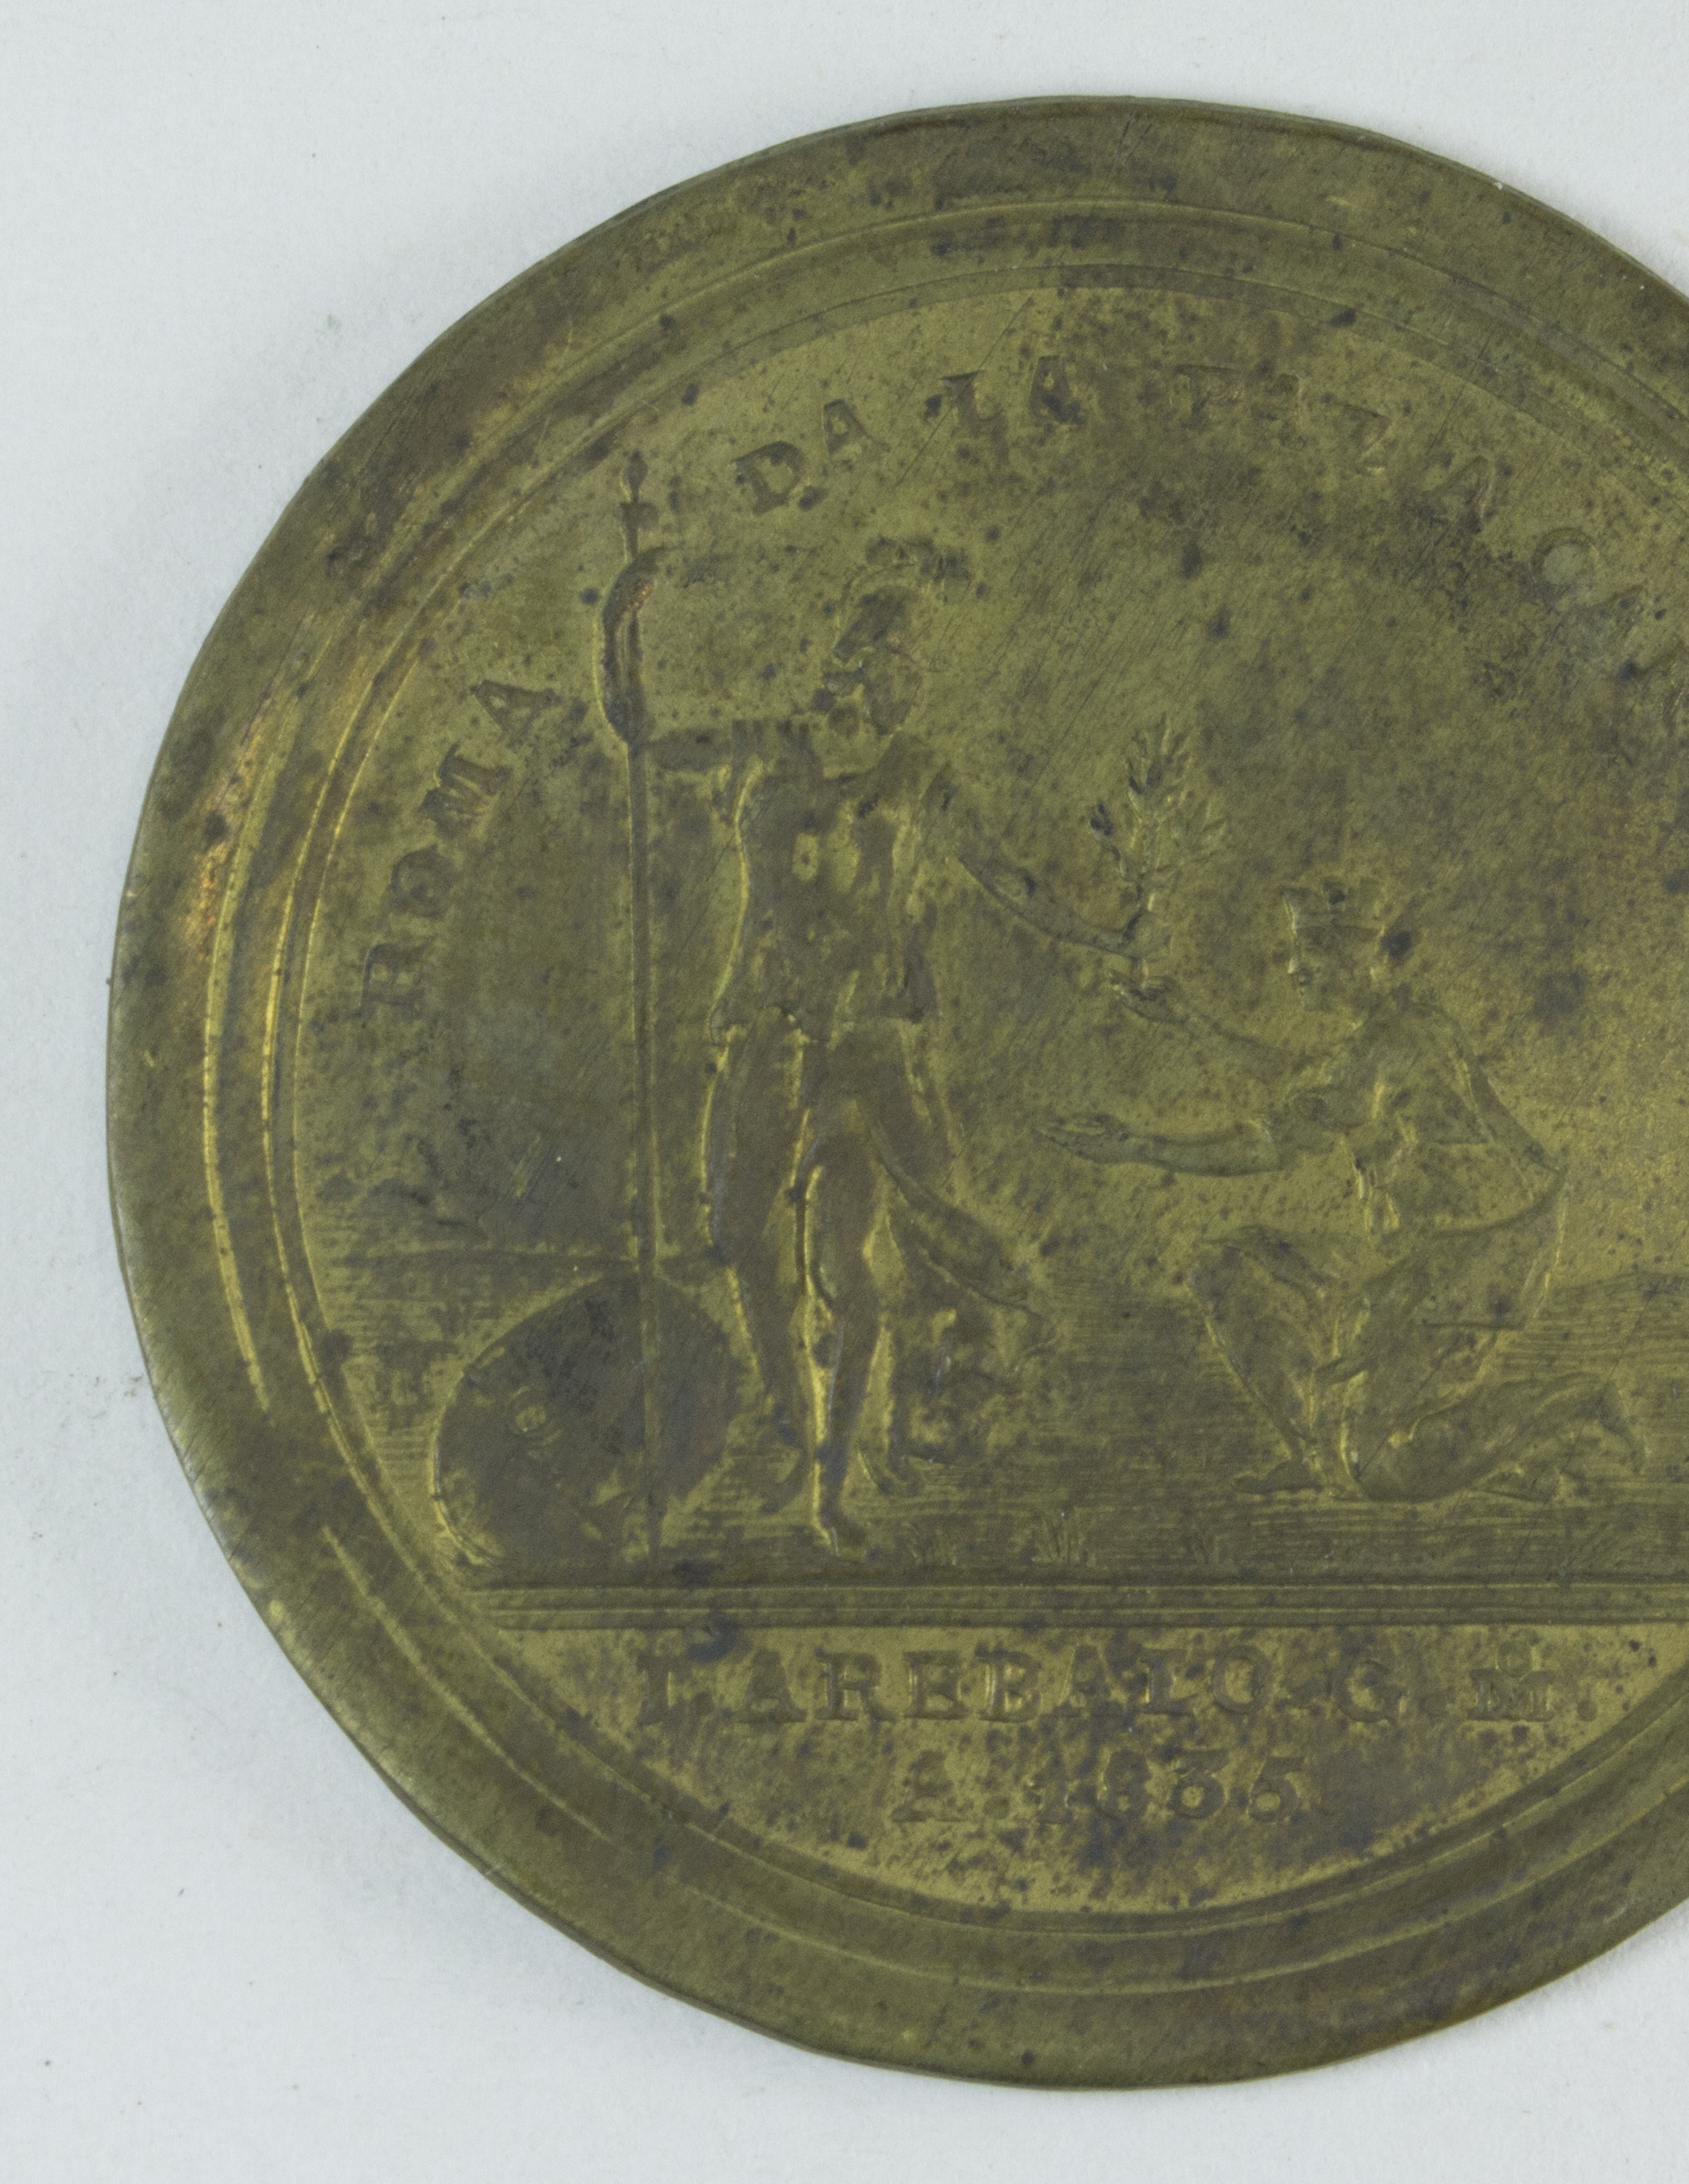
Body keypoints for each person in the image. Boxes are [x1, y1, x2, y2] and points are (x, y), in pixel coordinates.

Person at [630, 538, 1029, 1546]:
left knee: (847, 1272)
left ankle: (834, 1487)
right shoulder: (770, 749)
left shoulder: (917, 776)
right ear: (860, 662)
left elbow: (1005, 874)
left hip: (865, 1051)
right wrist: (614, 637)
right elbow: (650, 743)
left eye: (920, 668)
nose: (915, 684)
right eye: (903, 663)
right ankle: (787, 1425)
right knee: (738, 1240)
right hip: (767, 1037)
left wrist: (1109, 936)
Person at [1045, 876, 1585, 1498]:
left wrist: (1138, 1147)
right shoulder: (1400, 1027)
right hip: (1426, 1253)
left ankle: (1567, 1412)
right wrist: (1194, 1025)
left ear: (1354, 959)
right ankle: (1315, 1451)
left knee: (1377, 1468)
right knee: (1224, 1268)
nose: (1294, 969)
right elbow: (1309, 1078)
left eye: (1311, 954)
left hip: (1468, 1265)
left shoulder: (1387, 1046)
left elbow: (1269, 1144)